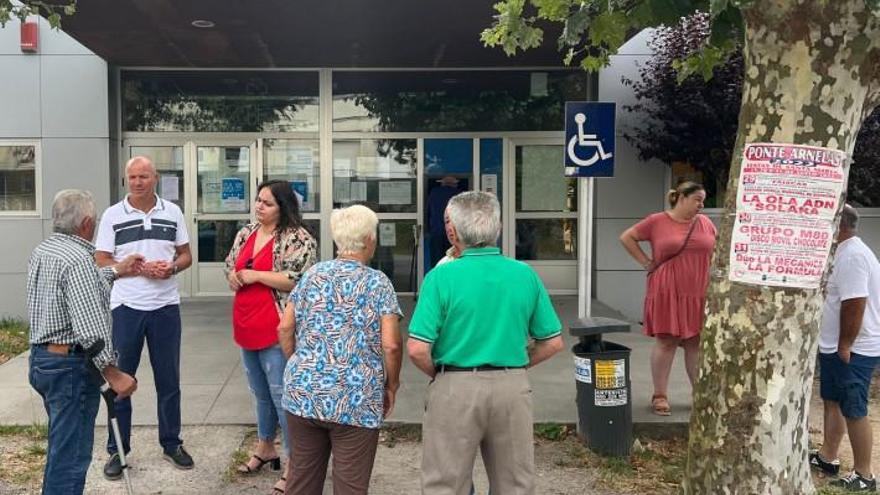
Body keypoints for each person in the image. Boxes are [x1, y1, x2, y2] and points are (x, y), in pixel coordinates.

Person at [408, 191, 564, 495]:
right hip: (512, 385)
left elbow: (417, 349)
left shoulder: (441, 278)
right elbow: (552, 342)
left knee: (445, 483)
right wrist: (515, 364)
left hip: (455, 384)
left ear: (453, 230)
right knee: (515, 484)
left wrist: (441, 374)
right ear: (499, 227)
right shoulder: (524, 274)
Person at [280, 204, 403, 495]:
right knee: (350, 485)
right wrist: (392, 384)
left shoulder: (312, 275)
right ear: (370, 239)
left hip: (303, 393)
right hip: (356, 397)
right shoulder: (378, 283)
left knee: (301, 481)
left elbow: (285, 327)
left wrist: (298, 361)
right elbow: (391, 344)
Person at [27, 189, 140, 495]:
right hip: (70, 368)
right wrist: (113, 373)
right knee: (72, 456)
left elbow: (72, 291)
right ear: (88, 223)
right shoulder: (79, 259)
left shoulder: (45, 250)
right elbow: (90, 327)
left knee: (61, 447)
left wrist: (116, 270)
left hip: (43, 360)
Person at [94, 156, 194, 478]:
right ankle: (118, 450)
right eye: (132, 177)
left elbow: (186, 255)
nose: (138, 182)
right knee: (121, 382)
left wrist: (172, 267)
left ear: (155, 178)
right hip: (126, 307)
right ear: (126, 179)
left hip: (165, 306)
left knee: (169, 381)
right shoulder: (112, 215)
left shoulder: (173, 211)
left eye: (144, 176)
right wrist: (130, 267)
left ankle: (171, 443)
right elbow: (101, 260)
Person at [224, 180, 317, 493]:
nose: (259, 207)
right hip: (246, 324)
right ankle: (266, 446)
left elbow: (300, 279)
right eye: (258, 201)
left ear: (283, 207)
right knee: (259, 392)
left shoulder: (297, 237)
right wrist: (234, 278)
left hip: (276, 328)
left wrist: (256, 275)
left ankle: (295, 462)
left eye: (267, 203)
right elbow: (230, 264)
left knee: (282, 396)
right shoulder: (246, 232)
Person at [619, 180, 716, 416]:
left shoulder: (704, 222)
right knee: (667, 341)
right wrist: (646, 263)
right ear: (681, 198)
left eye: (703, 201)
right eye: (697, 200)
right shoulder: (657, 221)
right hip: (667, 289)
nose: (701, 205)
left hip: (698, 290)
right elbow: (627, 237)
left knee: (695, 342)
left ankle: (698, 395)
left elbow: (717, 248)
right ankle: (659, 395)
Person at [809, 205, 880, 492]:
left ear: (839, 225)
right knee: (832, 400)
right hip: (836, 345)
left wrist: (845, 344)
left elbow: (855, 303)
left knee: (853, 407)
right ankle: (828, 456)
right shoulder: (842, 252)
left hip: (854, 347)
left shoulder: (852, 256)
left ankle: (865, 473)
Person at [426, 175, 461, 268]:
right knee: (453, 260)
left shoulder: (434, 193)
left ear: (442, 183)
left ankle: (437, 280)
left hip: (436, 232)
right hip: (454, 233)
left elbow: (428, 212)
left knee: (436, 261)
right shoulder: (459, 194)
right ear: (455, 184)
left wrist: (428, 230)